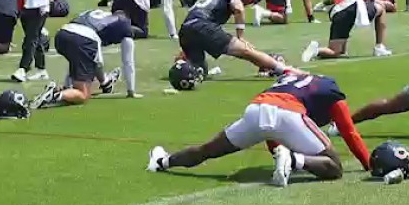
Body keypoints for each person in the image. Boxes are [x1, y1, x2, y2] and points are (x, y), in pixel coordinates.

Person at [147, 72, 372, 186]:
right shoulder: (331, 88)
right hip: (288, 112)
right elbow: (348, 131)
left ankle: (162, 162)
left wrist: (278, 153)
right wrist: (368, 164)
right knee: (334, 166)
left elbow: (271, 131)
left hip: (256, 109)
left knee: (208, 149)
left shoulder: (289, 80)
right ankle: (294, 161)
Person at [35, 6, 144, 109]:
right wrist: (131, 91)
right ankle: (55, 95)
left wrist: (104, 82)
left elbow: (80, 60)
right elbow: (127, 62)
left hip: (62, 35)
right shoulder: (125, 26)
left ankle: (64, 90)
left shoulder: (96, 14)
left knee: (80, 62)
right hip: (83, 39)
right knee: (83, 94)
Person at [178, 0, 290, 78]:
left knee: (198, 71)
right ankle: (282, 69)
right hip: (202, 26)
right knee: (246, 52)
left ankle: (179, 68)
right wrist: (240, 36)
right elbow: (238, 8)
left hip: (185, 30)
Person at [299, 0, 391, 62]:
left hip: (336, 12)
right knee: (381, 9)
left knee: (335, 51)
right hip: (352, 5)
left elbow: (339, 4)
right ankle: (379, 47)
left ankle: (316, 51)